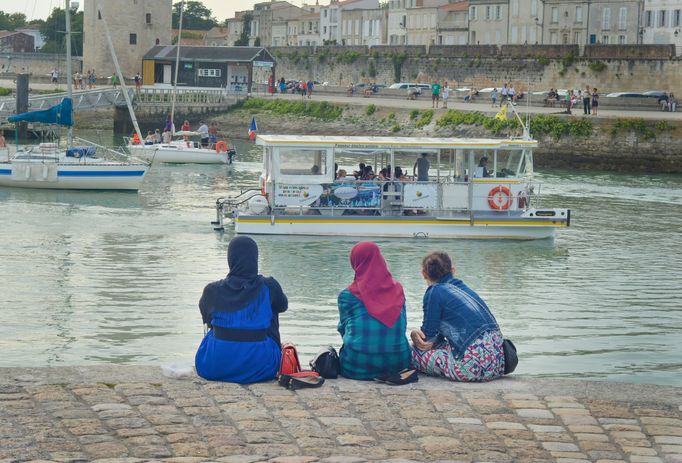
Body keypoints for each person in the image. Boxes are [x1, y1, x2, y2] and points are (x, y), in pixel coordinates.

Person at [195, 236, 288, 383]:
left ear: (230, 258)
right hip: (260, 366)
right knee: (271, 307)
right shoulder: (268, 285)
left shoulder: (211, 290)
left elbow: (206, 319)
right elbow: (283, 306)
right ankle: (257, 349)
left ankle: (226, 351)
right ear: (255, 258)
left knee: (217, 321)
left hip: (214, 366)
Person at [410, 251, 505, 382]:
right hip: (498, 363)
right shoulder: (463, 288)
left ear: (424, 274)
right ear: (452, 270)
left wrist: (414, 334)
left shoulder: (434, 292)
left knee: (411, 352)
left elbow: (427, 342)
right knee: (442, 347)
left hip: (471, 369)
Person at [337, 242, 411, 380]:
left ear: (355, 262)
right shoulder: (398, 290)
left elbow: (343, 330)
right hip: (399, 364)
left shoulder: (347, 295)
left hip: (356, 366)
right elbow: (403, 326)